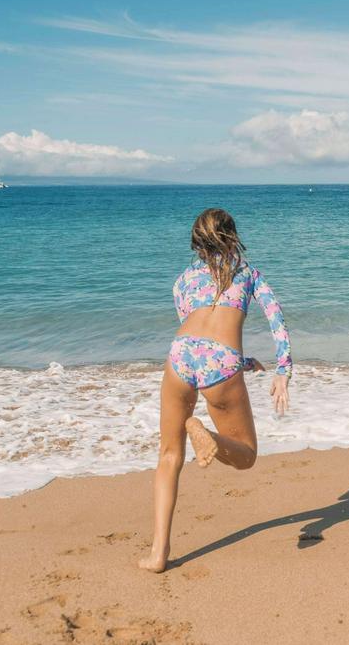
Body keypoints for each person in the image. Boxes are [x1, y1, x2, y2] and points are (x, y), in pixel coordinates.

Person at [139, 208, 292, 573]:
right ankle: (207, 435)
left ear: (197, 242)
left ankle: (158, 554)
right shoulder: (248, 274)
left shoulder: (182, 281)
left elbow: (198, 337)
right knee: (246, 455)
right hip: (220, 362)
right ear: (232, 236)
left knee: (168, 456)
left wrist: (243, 362)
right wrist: (282, 371)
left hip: (179, 356)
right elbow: (276, 320)